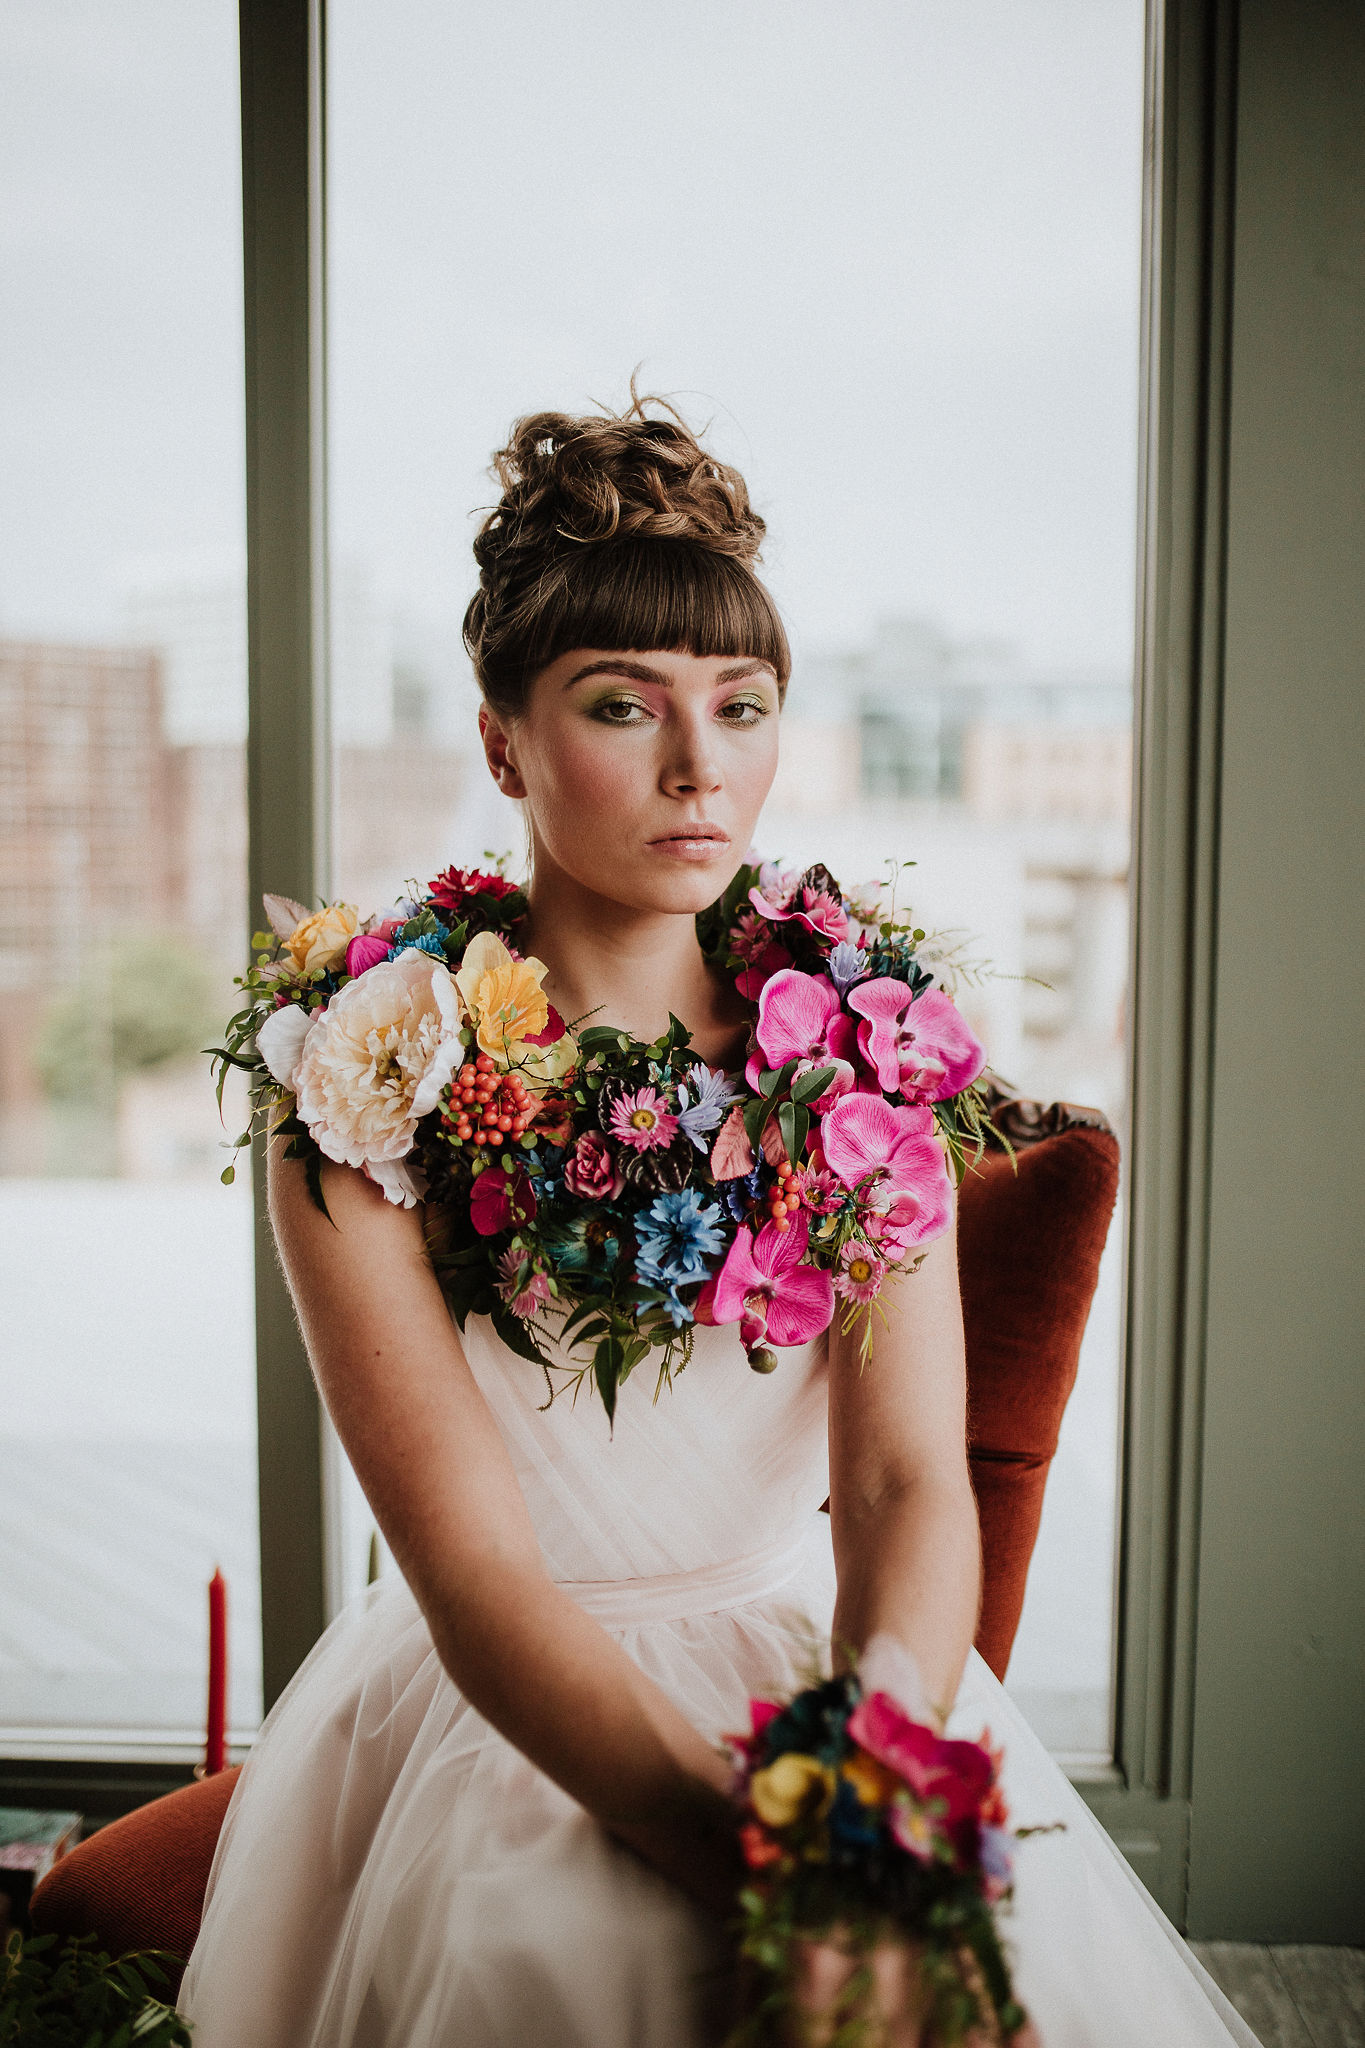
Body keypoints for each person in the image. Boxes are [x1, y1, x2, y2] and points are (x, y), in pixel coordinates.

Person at [178, 389, 1260, 2047]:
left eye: (742, 708)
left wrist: (872, 1801)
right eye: (624, 706)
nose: (701, 769)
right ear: (501, 741)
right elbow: (469, 1573)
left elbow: (905, 1479)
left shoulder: (858, 1041)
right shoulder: (356, 1082)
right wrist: (752, 1863)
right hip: (514, 1701)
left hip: (838, 1678)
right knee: (573, 1964)